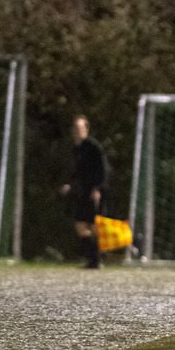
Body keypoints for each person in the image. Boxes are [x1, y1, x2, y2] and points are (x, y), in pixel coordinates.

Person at [60, 115, 109, 269]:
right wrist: (69, 184)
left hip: (95, 191)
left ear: (86, 130)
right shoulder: (76, 149)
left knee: (94, 226)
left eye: (80, 128)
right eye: (75, 128)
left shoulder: (93, 147)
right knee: (81, 226)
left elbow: (103, 170)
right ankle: (93, 259)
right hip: (83, 191)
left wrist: (98, 189)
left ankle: (95, 260)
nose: (77, 131)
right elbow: (77, 172)